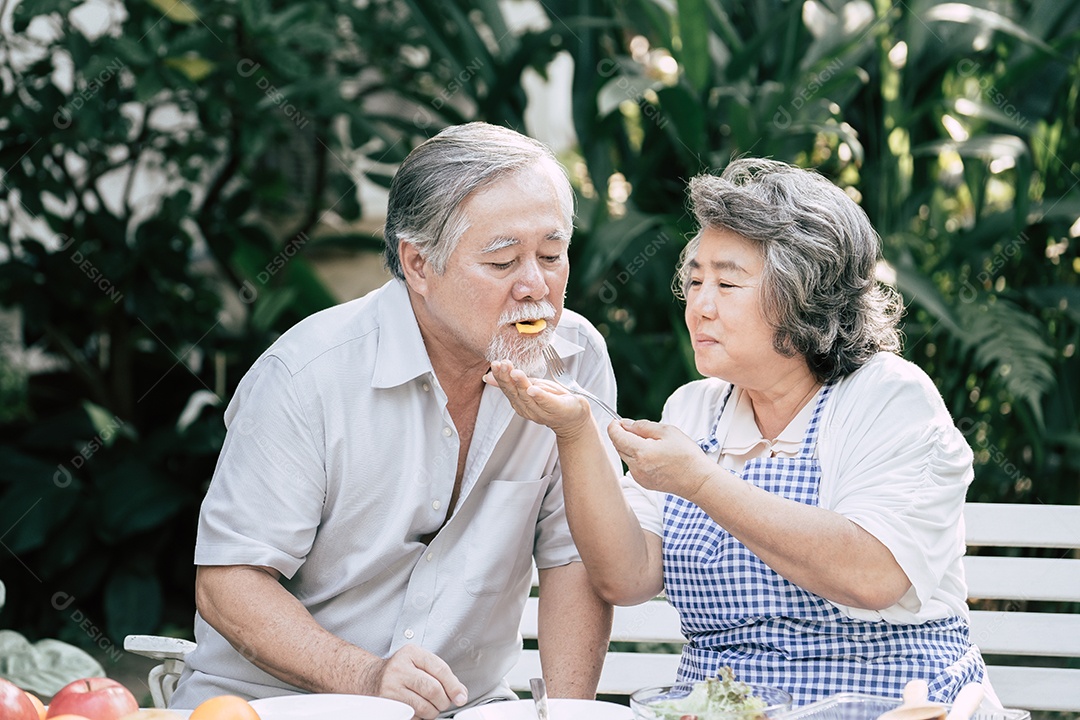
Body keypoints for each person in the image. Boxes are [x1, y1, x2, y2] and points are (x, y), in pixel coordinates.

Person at [487, 158, 997, 706]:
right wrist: (575, 431)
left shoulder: (887, 397)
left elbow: (872, 574)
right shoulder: (694, 410)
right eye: (696, 281)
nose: (700, 307)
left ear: (805, 295)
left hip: (888, 703)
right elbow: (626, 577)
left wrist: (701, 483)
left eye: (728, 283)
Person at [169, 122, 617, 718]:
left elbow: (574, 557)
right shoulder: (307, 375)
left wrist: (567, 714)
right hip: (276, 708)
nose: (535, 285)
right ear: (418, 265)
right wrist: (367, 676)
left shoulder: (575, 356)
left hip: (468, 708)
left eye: (552, 255)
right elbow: (228, 583)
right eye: (504, 260)